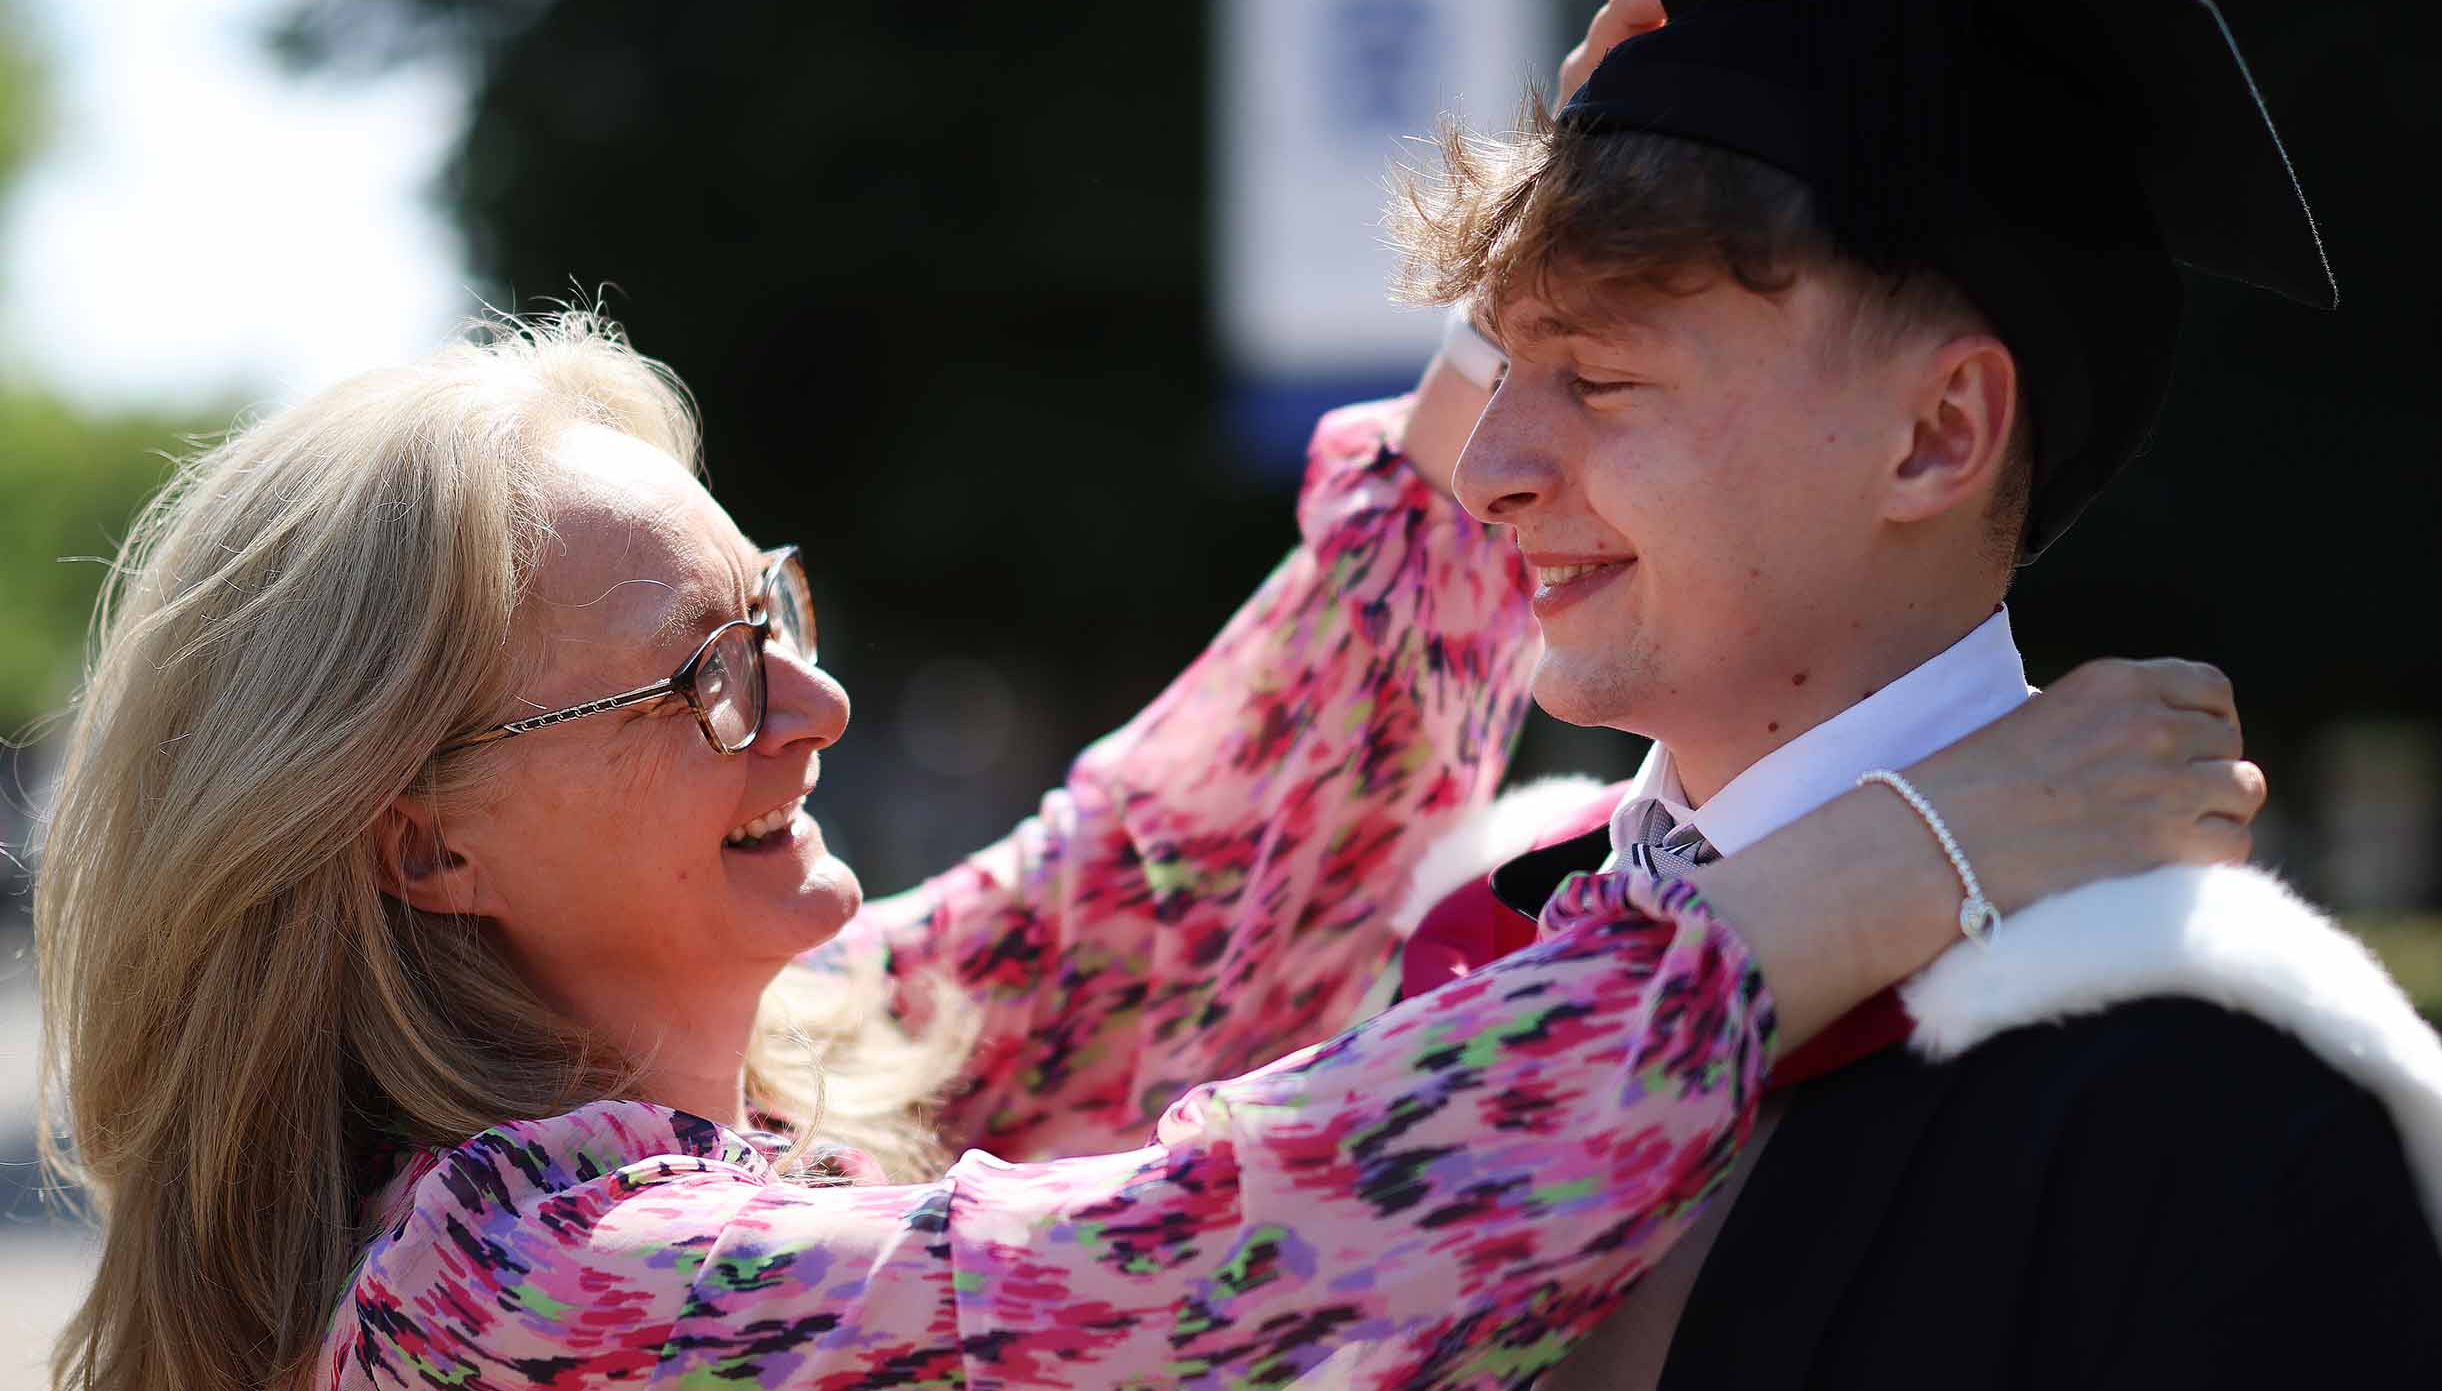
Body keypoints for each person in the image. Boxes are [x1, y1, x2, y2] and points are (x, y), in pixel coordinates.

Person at [33, 312, 2253, 1391]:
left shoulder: (785, 1086)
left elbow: (1172, 879)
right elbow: (1205, 1276)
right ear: (423, 849)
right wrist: (1892, 858)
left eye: (774, 614)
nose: (803, 706)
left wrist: (1502, 354)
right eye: (697, 678)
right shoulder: (504, 1294)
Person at [1387, 0, 2442, 1387]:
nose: (1487, 465)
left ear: (1936, 435)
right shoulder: (1483, 949)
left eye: (1596, 379)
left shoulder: (2207, 1084)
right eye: (1501, 367)